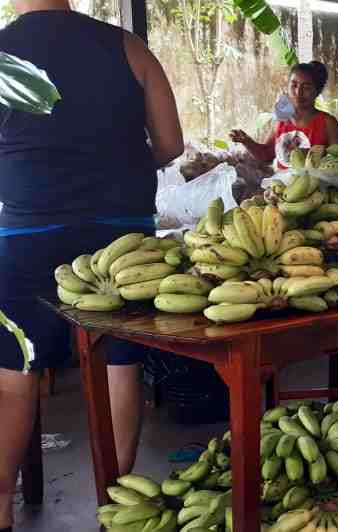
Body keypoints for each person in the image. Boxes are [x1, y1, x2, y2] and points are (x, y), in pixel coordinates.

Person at [0, 1, 184, 530]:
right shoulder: (128, 47)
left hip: (27, 229)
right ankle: (114, 507)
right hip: (120, 237)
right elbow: (170, 143)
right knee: (117, 361)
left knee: (15, 370)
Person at [230, 61, 338, 167]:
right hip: (282, 187)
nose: (298, 92)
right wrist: (246, 141)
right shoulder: (281, 120)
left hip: (316, 188)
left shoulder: (328, 123)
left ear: (317, 91)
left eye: (306, 87)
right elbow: (267, 156)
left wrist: (318, 156)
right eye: (294, 85)